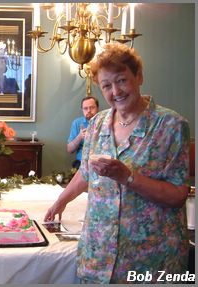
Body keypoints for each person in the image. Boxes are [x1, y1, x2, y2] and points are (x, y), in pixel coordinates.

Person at [45, 43, 190, 284]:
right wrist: (61, 202)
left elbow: (178, 194)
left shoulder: (171, 126)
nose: (116, 91)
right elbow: (86, 173)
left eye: (122, 80)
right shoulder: (98, 123)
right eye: (106, 86)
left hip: (150, 261)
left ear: (139, 76)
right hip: (98, 256)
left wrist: (128, 177)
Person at [67, 96, 99, 169]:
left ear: (97, 108)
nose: (89, 110)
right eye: (85, 108)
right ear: (82, 110)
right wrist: (80, 137)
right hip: (81, 163)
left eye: (92, 107)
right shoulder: (77, 123)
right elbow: (69, 150)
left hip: (99, 163)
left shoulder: (105, 121)